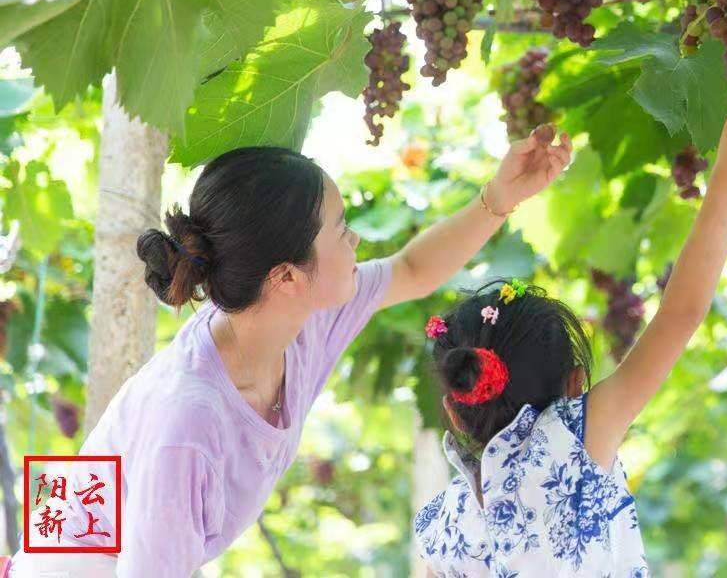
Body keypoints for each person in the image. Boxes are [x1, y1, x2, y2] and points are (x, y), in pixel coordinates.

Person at [11, 126, 572, 578]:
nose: (354, 242)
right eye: (340, 229)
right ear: (284, 276)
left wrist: (499, 199)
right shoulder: (186, 420)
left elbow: (411, 269)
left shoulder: (301, 321)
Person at [413, 109, 727, 576]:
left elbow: (681, 315)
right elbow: (679, 314)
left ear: (454, 407)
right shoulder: (572, 440)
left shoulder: (443, 527)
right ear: (576, 383)